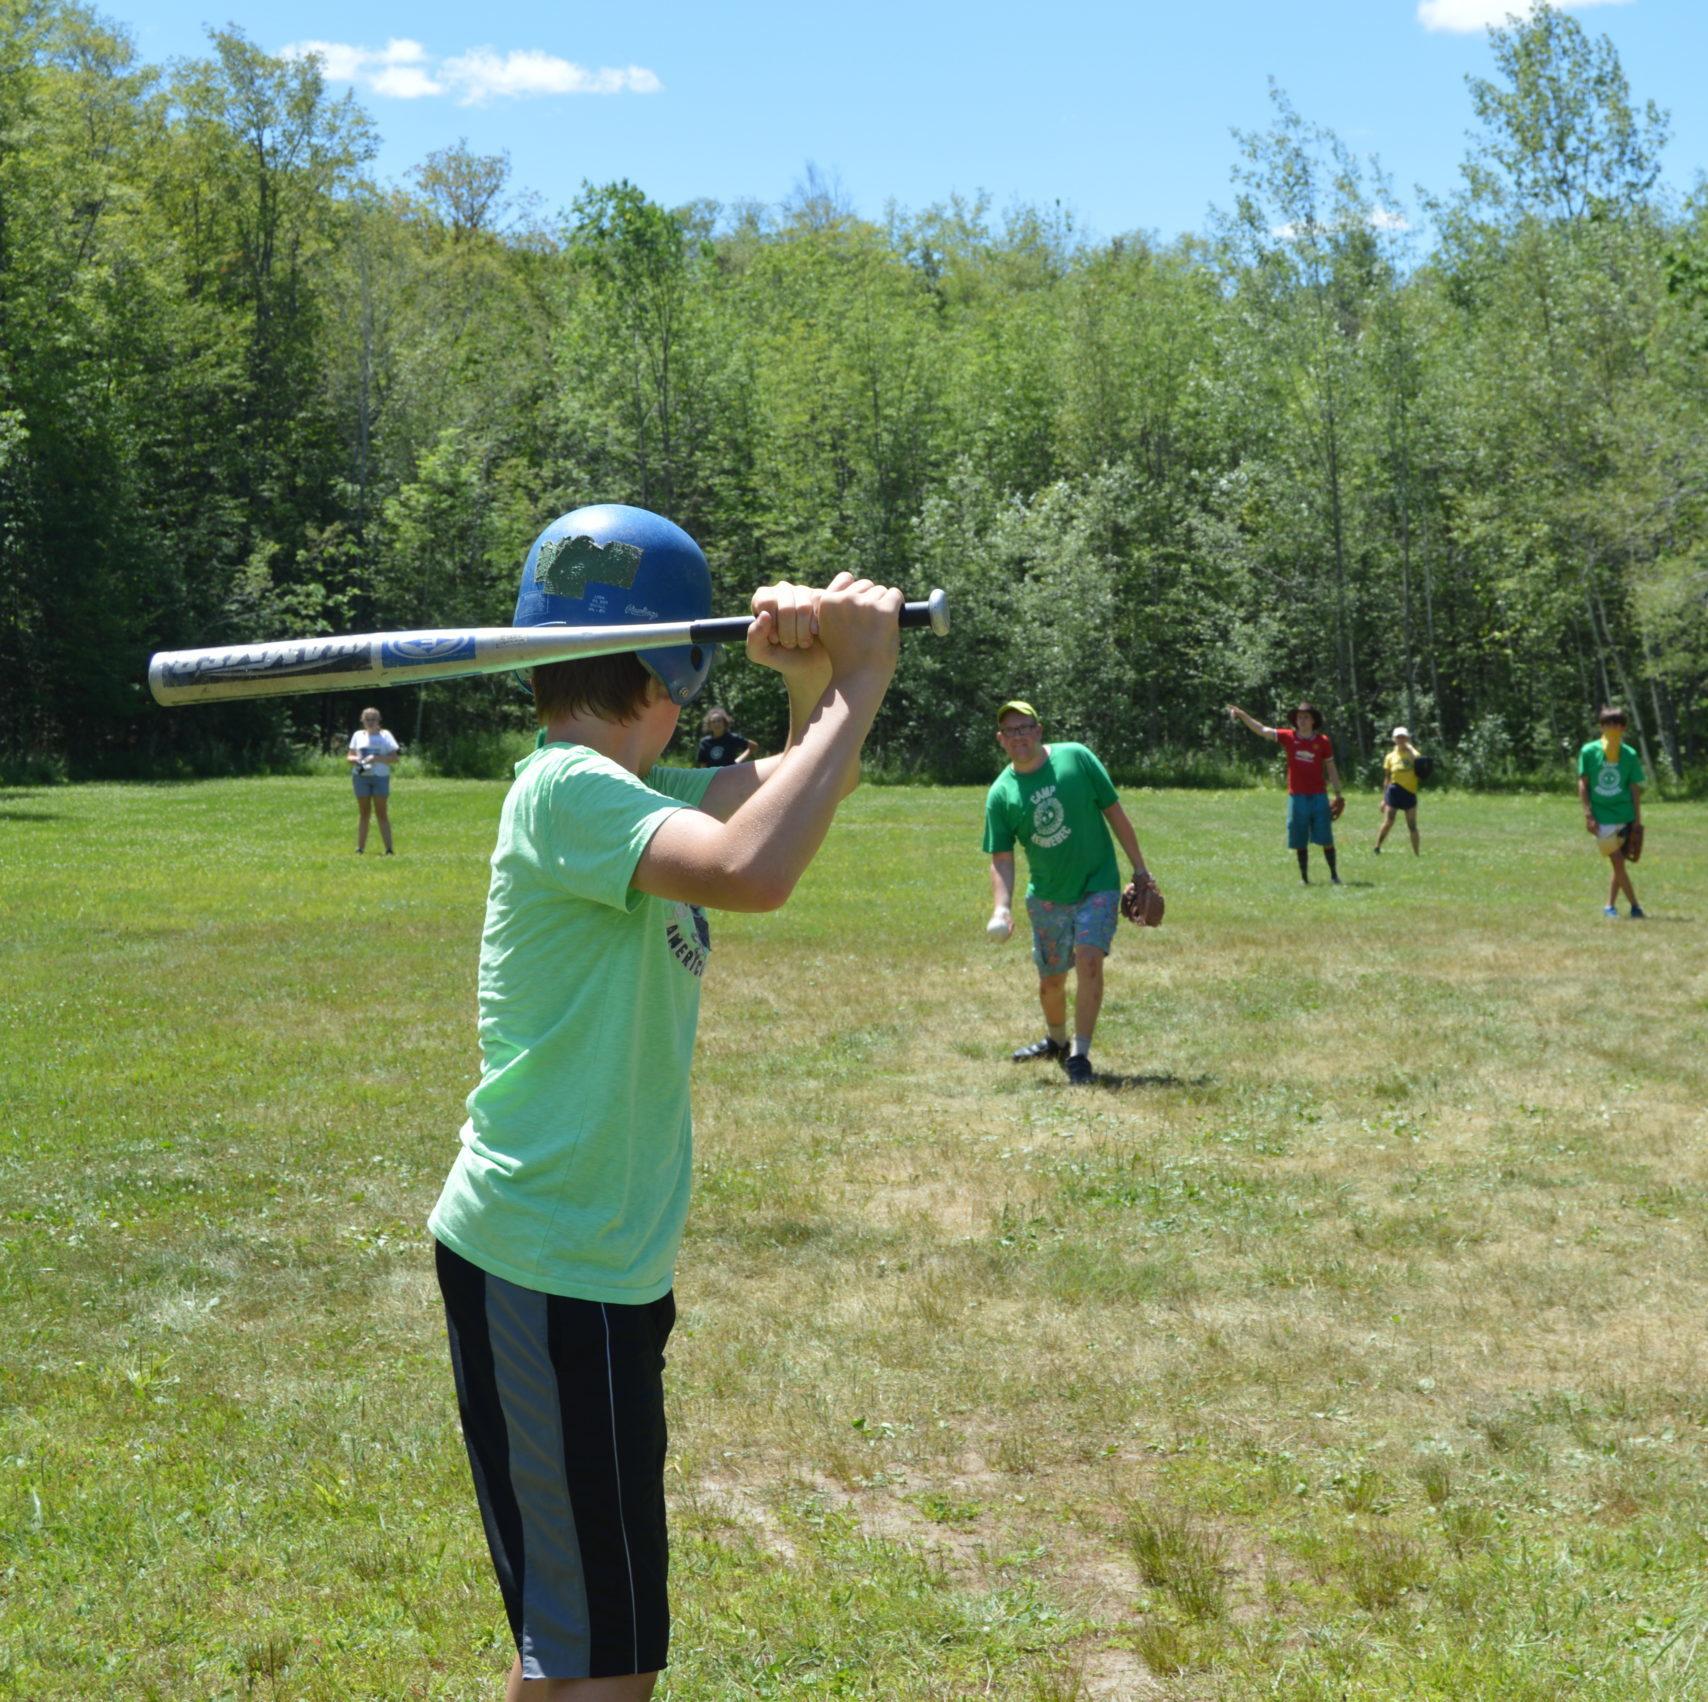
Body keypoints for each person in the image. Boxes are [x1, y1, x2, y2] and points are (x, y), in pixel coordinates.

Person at [427, 503, 902, 1702]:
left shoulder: (636, 783)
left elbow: (784, 797)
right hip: (547, 1260)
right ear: (670, 667)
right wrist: (857, 676)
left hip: (600, 1261)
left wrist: (812, 680)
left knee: (593, 1640)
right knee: (603, 1658)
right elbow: (753, 869)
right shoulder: (568, 791)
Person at [983, 700, 1157, 1086]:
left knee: (1090, 958)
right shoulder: (1001, 794)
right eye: (1011, 731)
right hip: (1046, 894)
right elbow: (1002, 857)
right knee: (1052, 980)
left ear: (1039, 730)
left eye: (1025, 727)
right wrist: (1002, 907)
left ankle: (1079, 1054)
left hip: (1098, 882)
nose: (1019, 736)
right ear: (1001, 740)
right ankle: (1056, 1041)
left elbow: (1114, 812)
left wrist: (1140, 869)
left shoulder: (1076, 758)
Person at [1227, 701, 1345, 884]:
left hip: (1319, 796)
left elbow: (1331, 767)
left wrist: (1338, 793)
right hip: (1297, 796)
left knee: (1326, 837)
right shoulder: (1288, 737)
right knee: (1299, 837)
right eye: (1299, 717)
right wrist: (1243, 715)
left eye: (1306, 717)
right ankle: (1305, 879)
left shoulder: (1322, 741)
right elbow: (1262, 730)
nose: (1302, 720)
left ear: (1313, 720)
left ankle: (1334, 875)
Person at [1577, 705, 1646, 920]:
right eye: (1608, 723)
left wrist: (1636, 820)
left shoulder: (1629, 754)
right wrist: (1588, 814)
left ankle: (1609, 906)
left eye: (1617, 724)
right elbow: (1583, 783)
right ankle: (1635, 906)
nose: (1612, 728)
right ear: (1601, 726)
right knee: (1616, 861)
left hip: (1624, 815)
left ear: (1624, 727)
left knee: (1619, 865)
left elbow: (1635, 788)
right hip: (1601, 817)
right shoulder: (1589, 751)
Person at [346, 706, 401, 854]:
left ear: (379, 720)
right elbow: (349, 757)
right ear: (362, 720)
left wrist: (376, 758)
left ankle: (389, 849)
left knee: (381, 812)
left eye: (373, 719)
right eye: (367, 719)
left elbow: (395, 758)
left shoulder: (385, 735)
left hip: (380, 777)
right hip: (361, 776)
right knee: (364, 812)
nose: (370, 722)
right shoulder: (358, 735)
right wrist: (357, 758)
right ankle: (360, 848)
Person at [1374, 725, 1423, 855]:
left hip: (1410, 792)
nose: (1400, 739)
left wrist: (1410, 748)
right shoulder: (1390, 757)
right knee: (1389, 821)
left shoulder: (1414, 754)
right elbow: (1387, 778)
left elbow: (1420, 764)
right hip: (1394, 791)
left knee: (1412, 825)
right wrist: (1384, 799)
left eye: (1403, 737)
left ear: (1407, 738)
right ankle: (1377, 847)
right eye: (1398, 737)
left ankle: (1416, 853)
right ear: (1394, 739)